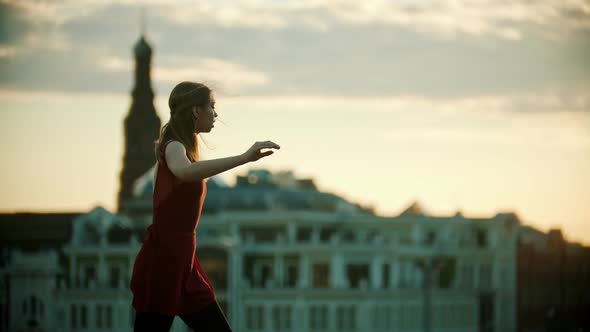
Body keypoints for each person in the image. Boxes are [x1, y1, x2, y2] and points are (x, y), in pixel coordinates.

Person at [130, 81, 280, 331]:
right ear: (195, 111)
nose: (216, 114)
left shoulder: (181, 148)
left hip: (184, 264)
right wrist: (243, 158)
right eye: (211, 106)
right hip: (164, 263)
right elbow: (185, 172)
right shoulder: (174, 147)